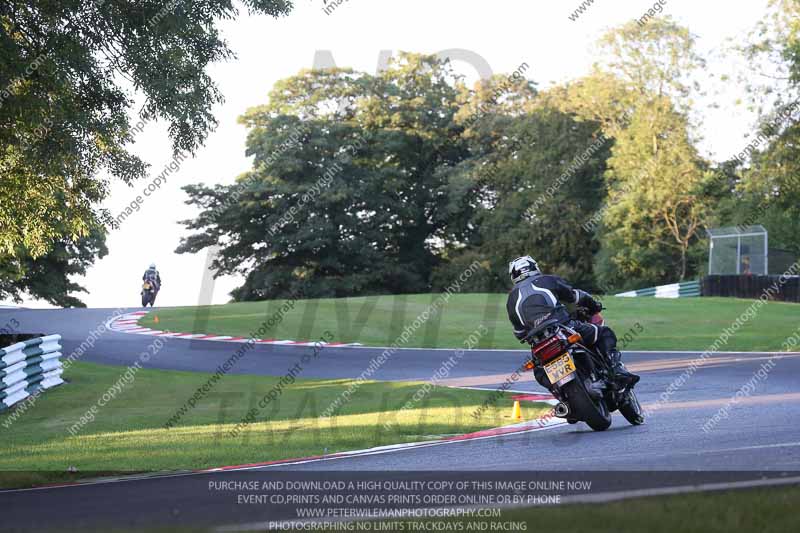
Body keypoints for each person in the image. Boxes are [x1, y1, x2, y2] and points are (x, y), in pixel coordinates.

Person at [505, 255, 639, 387]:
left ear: (513, 276)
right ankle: (616, 370)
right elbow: (574, 296)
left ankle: (562, 398)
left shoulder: (511, 299)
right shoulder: (546, 280)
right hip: (563, 327)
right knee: (604, 333)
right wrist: (594, 305)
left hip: (538, 343)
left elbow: (519, 333)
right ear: (534, 267)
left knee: (539, 371)